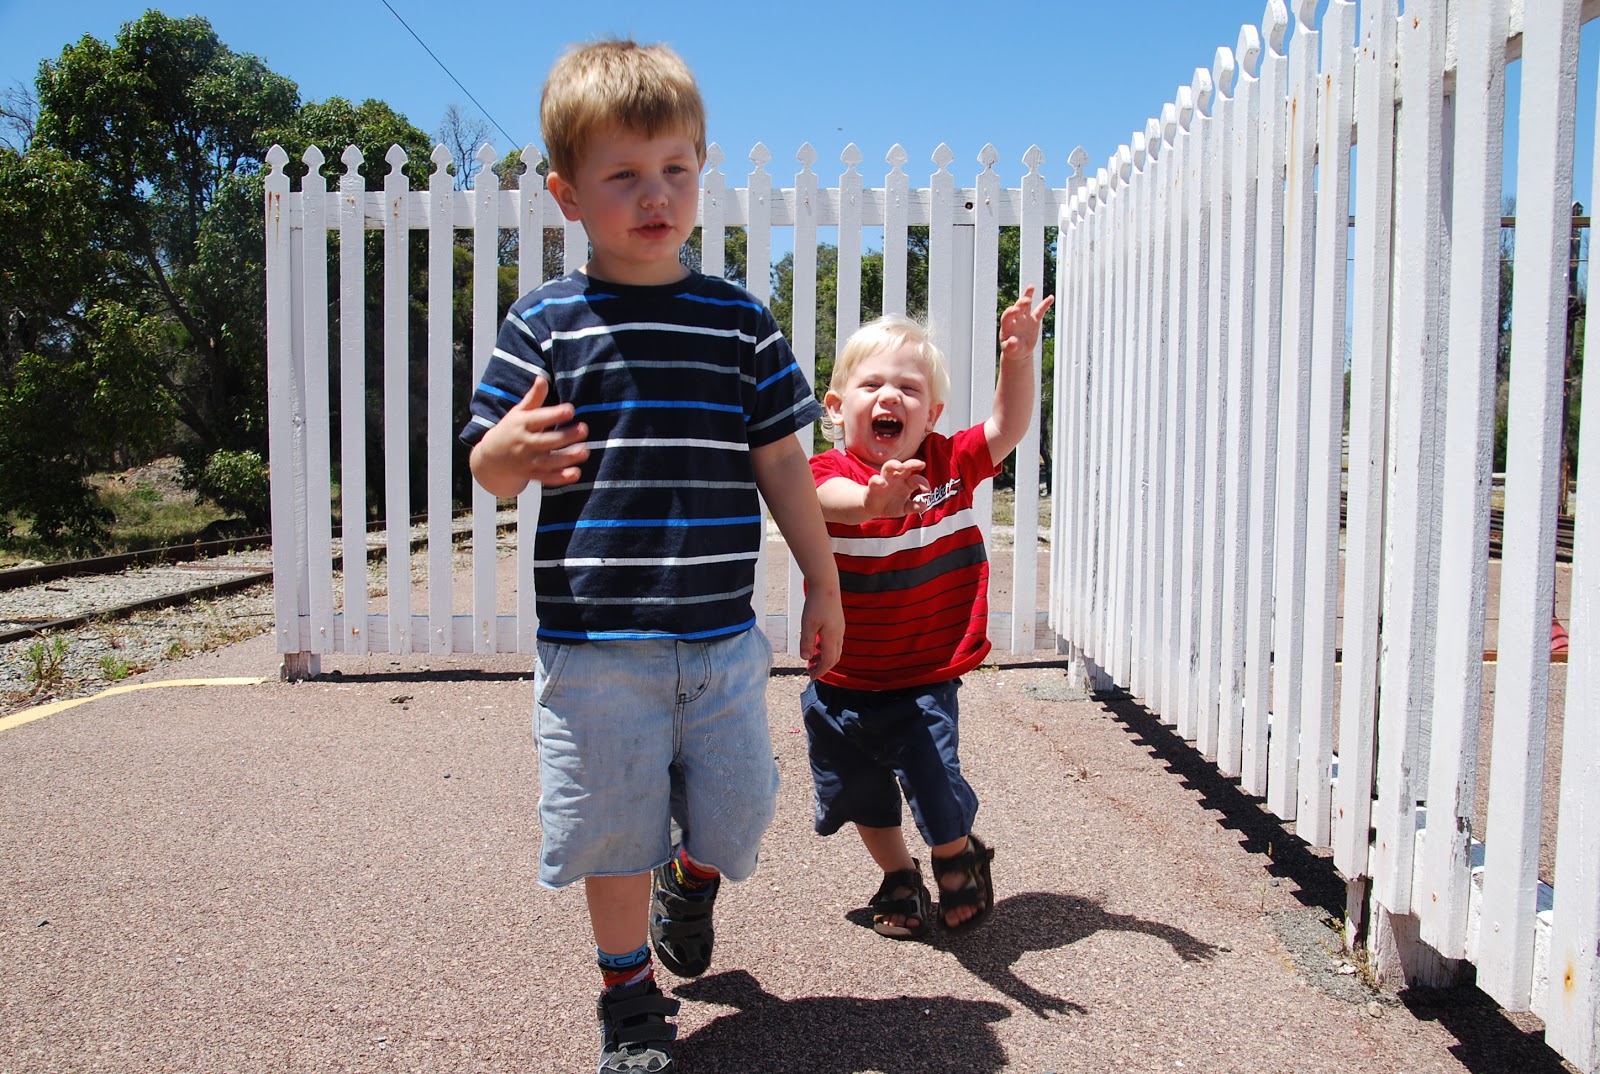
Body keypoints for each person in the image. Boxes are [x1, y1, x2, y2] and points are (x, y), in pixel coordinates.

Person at [458, 38, 843, 1074]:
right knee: (613, 830)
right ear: (567, 194)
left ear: (701, 168)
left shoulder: (738, 321)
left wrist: (823, 579)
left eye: (674, 167)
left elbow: (782, 459)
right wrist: (504, 454)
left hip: (721, 640)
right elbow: (488, 464)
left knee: (741, 814)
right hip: (596, 650)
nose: (654, 193)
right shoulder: (545, 323)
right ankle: (627, 994)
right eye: (622, 174)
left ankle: (694, 880)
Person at [802, 289, 1052, 938]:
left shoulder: (948, 462)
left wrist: (1018, 358)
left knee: (935, 777)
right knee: (861, 793)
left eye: (909, 389)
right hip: (843, 677)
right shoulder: (826, 471)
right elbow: (826, 500)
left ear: (932, 413)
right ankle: (898, 874)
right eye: (872, 385)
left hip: (923, 671)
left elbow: (1006, 429)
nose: (891, 397)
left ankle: (954, 853)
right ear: (836, 407)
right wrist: (873, 502)